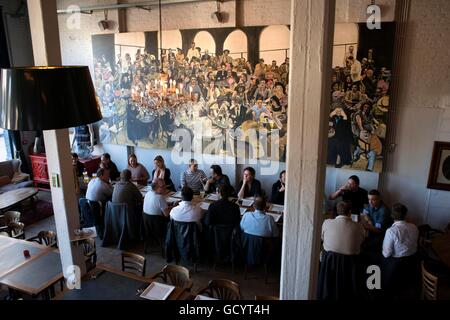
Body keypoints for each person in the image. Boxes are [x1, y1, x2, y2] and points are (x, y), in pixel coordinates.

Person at [317, 201, 366, 300]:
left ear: (336, 212)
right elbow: (362, 241)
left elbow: (322, 238)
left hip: (329, 262)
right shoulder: (359, 226)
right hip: (350, 264)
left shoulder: (326, 222)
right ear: (350, 213)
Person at [381, 203, 419, 299]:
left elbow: (386, 253)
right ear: (405, 214)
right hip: (413, 260)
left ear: (392, 216)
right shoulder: (414, 227)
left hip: (397, 264)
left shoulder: (391, 231)